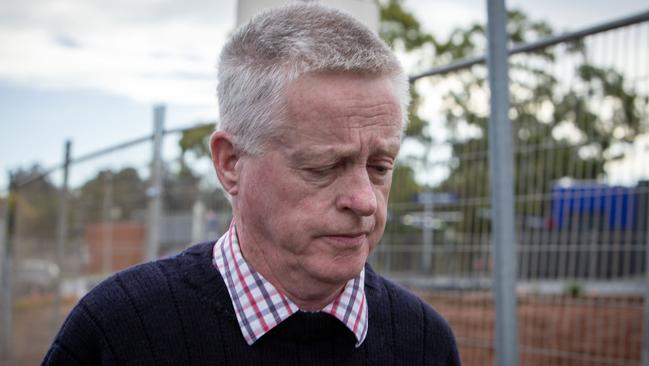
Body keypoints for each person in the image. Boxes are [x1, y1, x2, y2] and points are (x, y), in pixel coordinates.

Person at [42, 3, 460, 365]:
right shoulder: (121, 331)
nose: (365, 201)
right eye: (322, 167)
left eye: (380, 167)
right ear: (230, 164)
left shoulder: (424, 342)